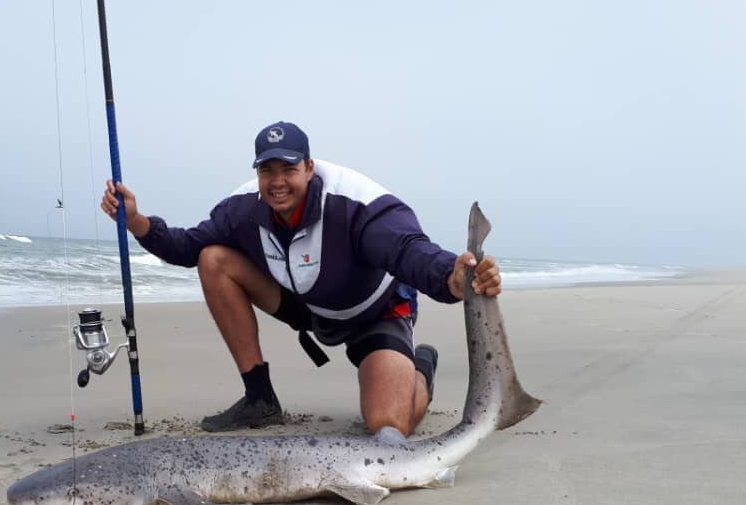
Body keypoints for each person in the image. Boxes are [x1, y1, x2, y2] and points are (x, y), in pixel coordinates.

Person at [100, 121, 501, 434]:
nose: (277, 182)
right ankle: (260, 398)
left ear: (309, 167)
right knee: (213, 258)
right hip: (307, 304)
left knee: (388, 425)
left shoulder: (356, 205)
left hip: (374, 312)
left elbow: (408, 250)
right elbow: (186, 247)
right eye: (267, 169)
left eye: (289, 168)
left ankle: (420, 368)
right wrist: (136, 220)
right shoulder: (242, 209)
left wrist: (451, 276)